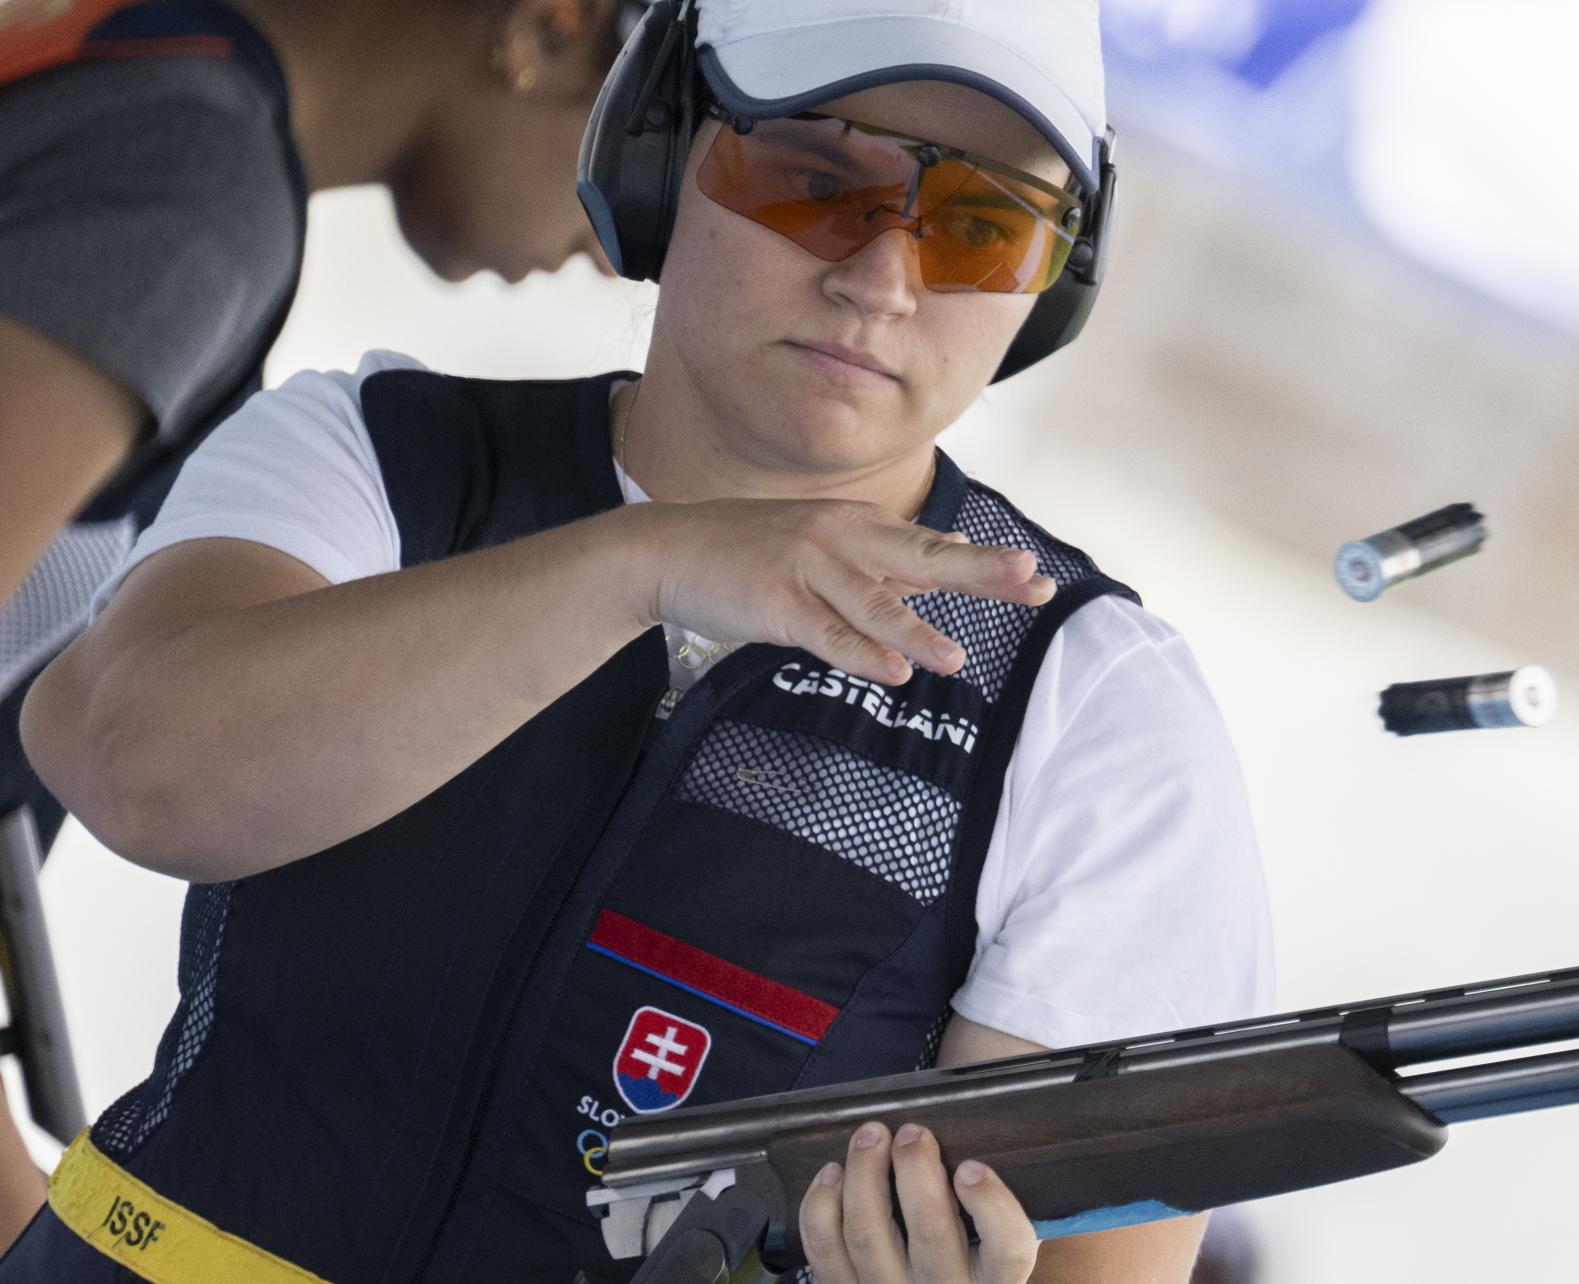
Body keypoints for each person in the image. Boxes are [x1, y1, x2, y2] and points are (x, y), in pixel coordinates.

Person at [10, 0, 1276, 1279]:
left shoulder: (1096, 711)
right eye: (816, 177)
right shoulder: (376, 455)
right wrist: (649, 563)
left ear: (1056, 278)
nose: (883, 278)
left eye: (982, 226)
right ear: (659, 146)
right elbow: (129, 757)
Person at [0, 0, 635, 1244]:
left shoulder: (119, 66)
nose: (627, 246)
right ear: (554, 28)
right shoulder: (190, 185)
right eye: (658, 115)